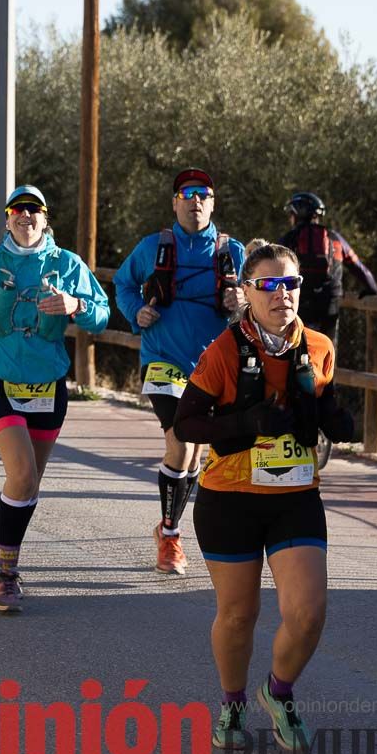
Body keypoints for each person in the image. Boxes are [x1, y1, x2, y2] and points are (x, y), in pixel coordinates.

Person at [173, 242, 353, 752]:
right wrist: (247, 423)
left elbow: (328, 403)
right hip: (229, 498)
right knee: (239, 614)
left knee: (309, 612)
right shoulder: (225, 351)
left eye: (290, 284)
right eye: (269, 285)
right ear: (246, 292)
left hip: (294, 496)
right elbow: (186, 424)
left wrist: (335, 419)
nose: (282, 295)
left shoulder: (317, 346)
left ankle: (278, 691)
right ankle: (232, 702)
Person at [0, 185, 109, 612]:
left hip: (48, 383)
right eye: (17, 209)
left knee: (29, 482)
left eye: (33, 210)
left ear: (45, 218)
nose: (25, 216)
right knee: (21, 474)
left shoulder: (67, 264)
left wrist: (75, 302)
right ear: (7, 219)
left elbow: (103, 313)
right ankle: (6, 571)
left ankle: (4, 555)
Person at [113, 168, 246, 575]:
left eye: (203, 194)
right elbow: (123, 285)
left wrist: (242, 298)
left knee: (195, 455)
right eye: (187, 194)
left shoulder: (232, 252)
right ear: (175, 202)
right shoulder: (154, 247)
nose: (195, 201)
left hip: (211, 364)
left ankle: (167, 528)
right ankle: (171, 538)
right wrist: (138, 312)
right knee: (181, 442)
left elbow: (258, 298)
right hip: (163, 358)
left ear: (213, 202)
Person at [279, 192, 377, 346]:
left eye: (291, 214)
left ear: (298, 214)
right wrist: (373, 290)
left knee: (298, 347)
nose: (290, 218)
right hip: (330, 302)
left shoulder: (290, 238)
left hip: (302, 301)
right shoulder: (335, 239)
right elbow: (359, 267)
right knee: (327, 347)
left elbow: (273, 266)